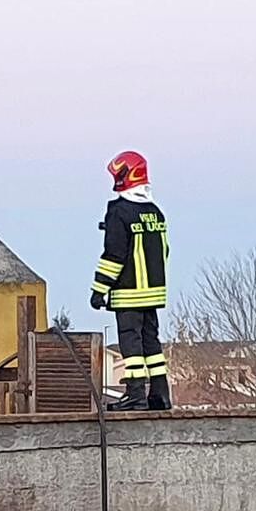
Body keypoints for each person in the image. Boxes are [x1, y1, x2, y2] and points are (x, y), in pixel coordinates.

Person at [90, 150, 171, 412]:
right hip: (154, 293)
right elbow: (165, 251)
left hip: (128, 293)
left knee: (131, 343)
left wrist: (99, 289)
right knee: (152, 343)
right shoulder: (155, 213)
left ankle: (135, 395)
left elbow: (114, 255)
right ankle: (160, 394)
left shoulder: (119, 212)